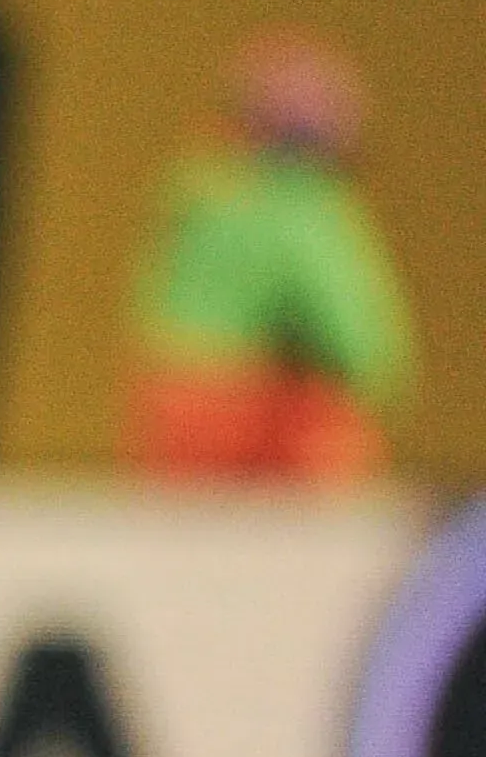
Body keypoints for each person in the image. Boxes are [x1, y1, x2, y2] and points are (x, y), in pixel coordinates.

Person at [126, 30, 411, 482]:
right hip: (255, 405)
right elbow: (349, 324)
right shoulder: (306, 205)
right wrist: (377, 377)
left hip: (168, 387)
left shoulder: (197, 186)